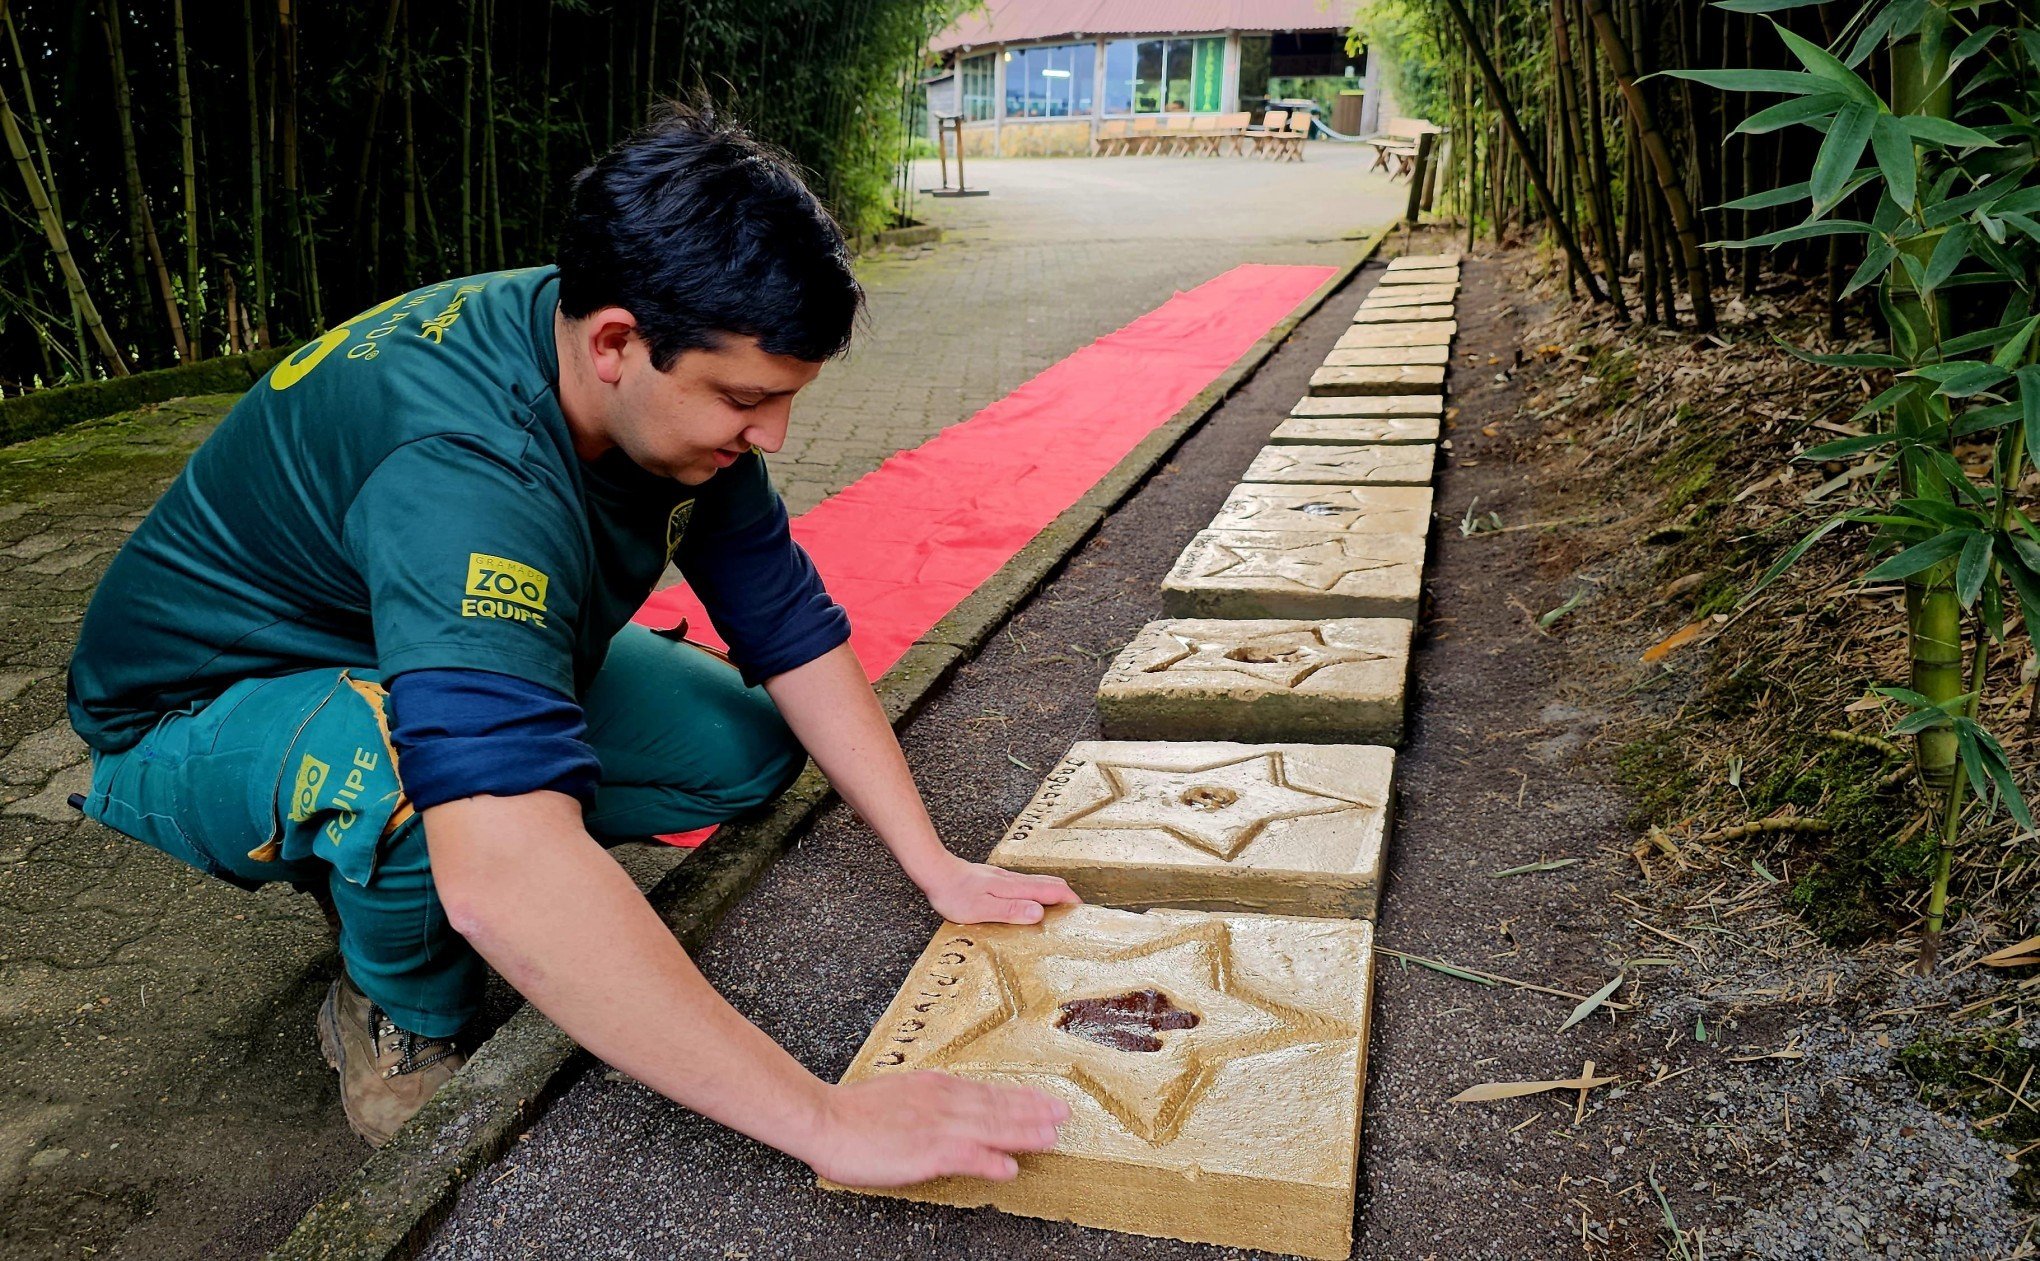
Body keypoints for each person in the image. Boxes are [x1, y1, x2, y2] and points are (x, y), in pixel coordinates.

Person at [64, 107, 1077, 1186]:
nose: (772, 437)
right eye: (745, 400)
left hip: (401, 637)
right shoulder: (465, 469)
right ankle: (392, 1005)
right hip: (195, 709)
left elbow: (789, 626)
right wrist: (827, 1120)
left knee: (745, 746)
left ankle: (449, 849)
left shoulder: (626, 343)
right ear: (615, 345)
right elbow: (501, 877)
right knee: (436, 793)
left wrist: (934, 864)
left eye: (786, 400)